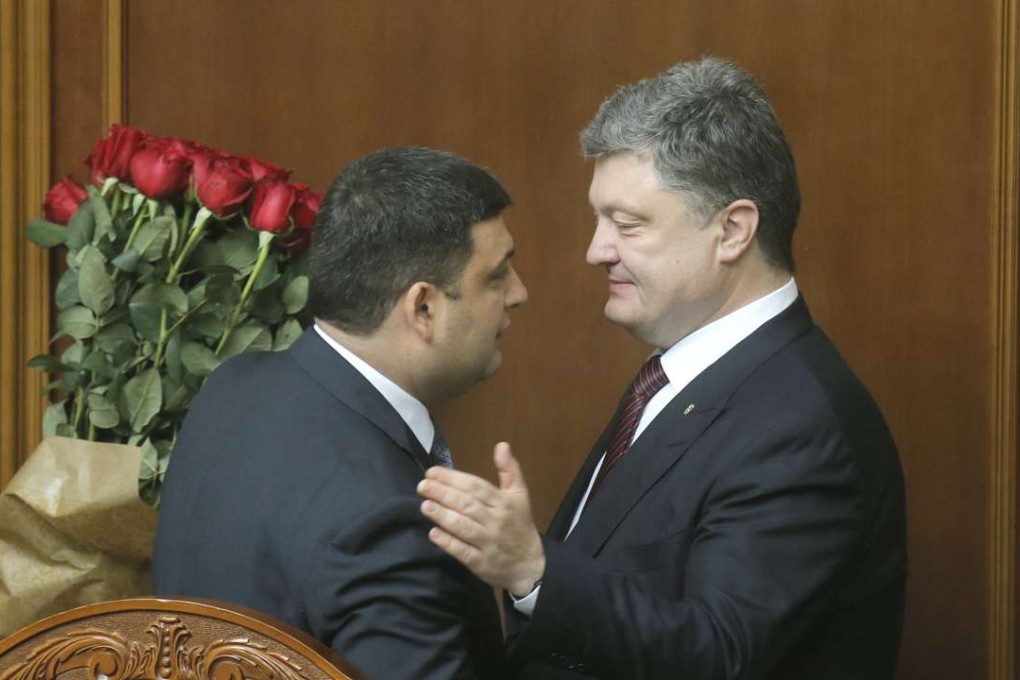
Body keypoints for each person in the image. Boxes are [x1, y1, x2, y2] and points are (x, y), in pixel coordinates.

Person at [417, 56, 907, 679]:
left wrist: (533, 570)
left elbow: (720, 652)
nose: (596, 250)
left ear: (733, 231)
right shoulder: (682, 373)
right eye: (599, 220)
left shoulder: (801, 425)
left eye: (627, 224)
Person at [153, 146, 528, 679]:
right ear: (423, 307)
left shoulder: (234, 385)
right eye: (497, 275)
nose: (519, 293)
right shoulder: (387, 526)